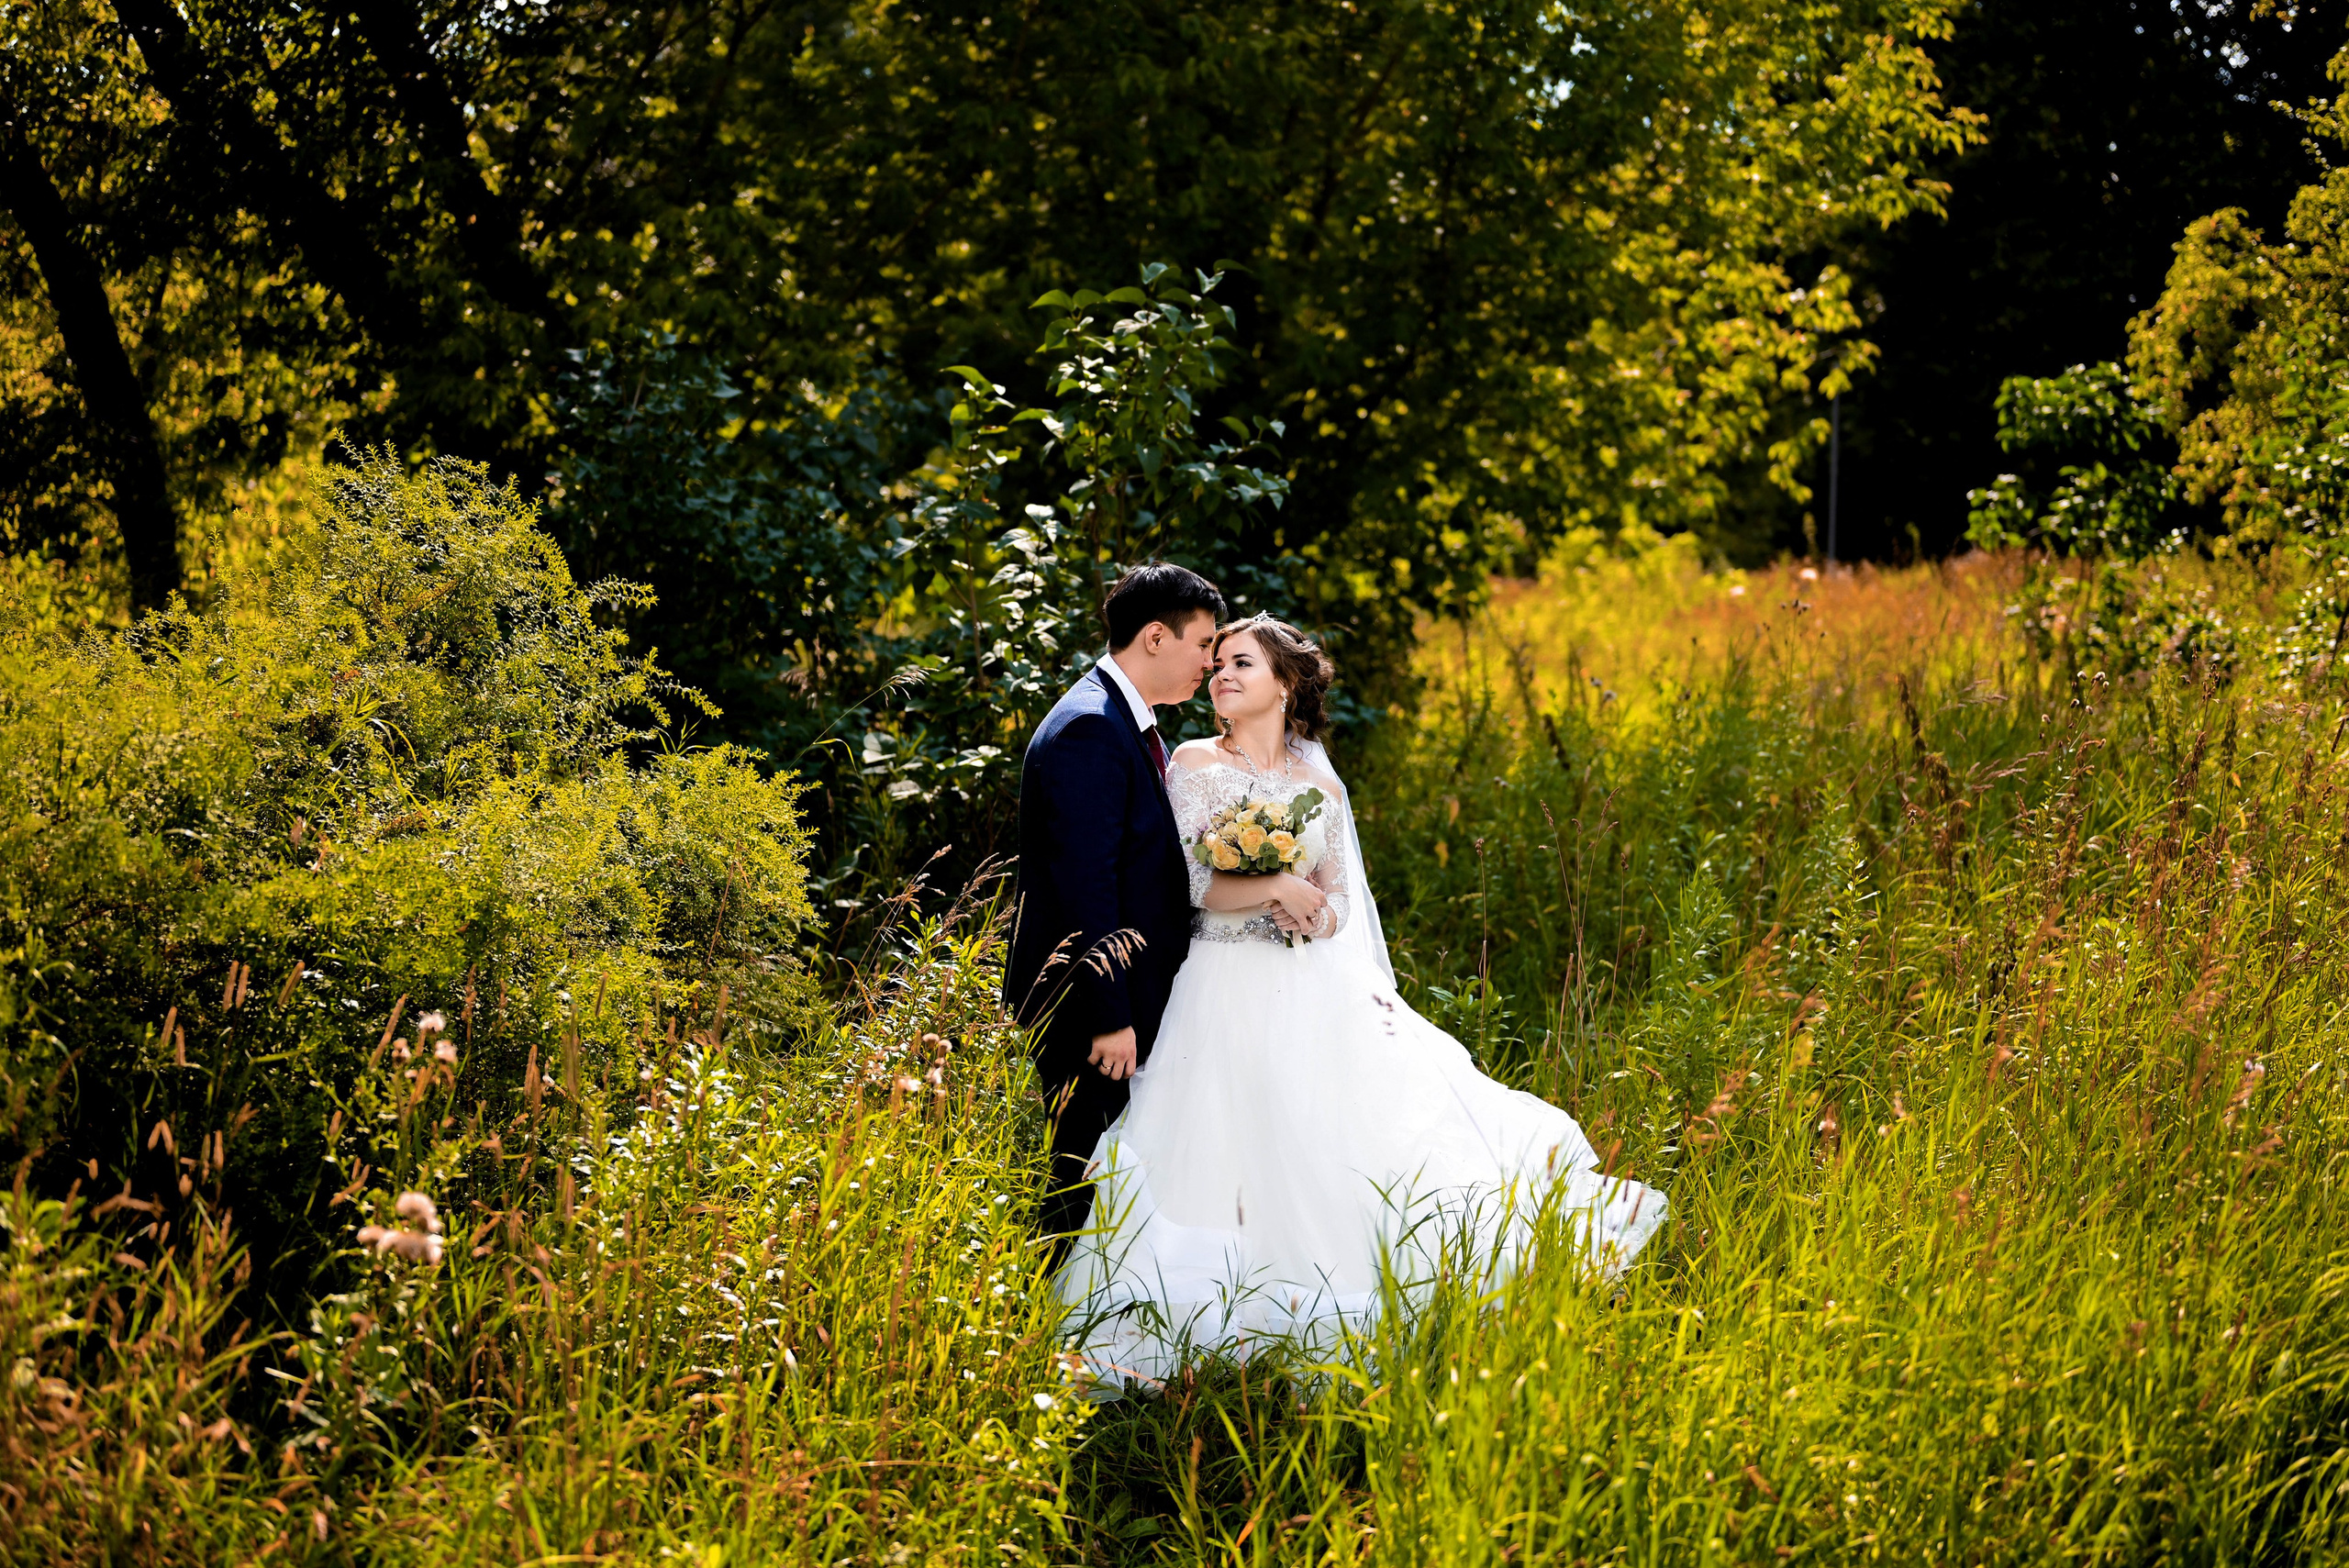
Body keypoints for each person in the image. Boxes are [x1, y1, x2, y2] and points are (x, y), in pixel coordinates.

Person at [1053, 615, 1668, 1387]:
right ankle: (1209, 1324)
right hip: (1217, 980)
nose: (1221, 675)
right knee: (1216, 1139)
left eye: (1241, 662)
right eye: (1216, 665)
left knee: (1319, 1140)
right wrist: (1274, 883)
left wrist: (1316, 910)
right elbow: (1190, 885)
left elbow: (1342, 897)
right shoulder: (1193, 762)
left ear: (1284, 682)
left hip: (1309, 983)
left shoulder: (1318, 780)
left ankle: (1340, 1302)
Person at [1004, 562, 1227, 1263]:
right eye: (1203, 644)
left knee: (1108, 1178)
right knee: (1077, 1181)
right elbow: (1085, 884)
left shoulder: (1122, 720)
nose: (1210, 662)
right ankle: (1046, 1337)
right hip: (1091, 1012)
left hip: (1122, 1000)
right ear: (1156, 636)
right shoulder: (1089, 730)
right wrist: (1109, 1015)